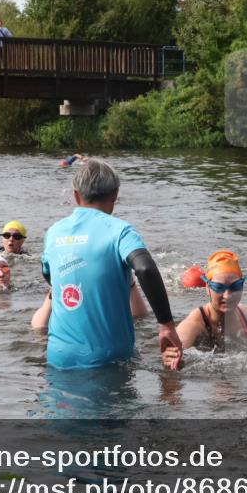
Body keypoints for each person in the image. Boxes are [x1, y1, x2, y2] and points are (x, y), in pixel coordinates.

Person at [38, 157, 183, 370]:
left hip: (58, 356)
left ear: (76, 196)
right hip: (108, 359)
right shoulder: (120, 231)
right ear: (115, 196)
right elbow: (145, 268)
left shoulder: (53, 232)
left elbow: (50, 276)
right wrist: (166, 325)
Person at [161, 250, 247, 367]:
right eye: (219, 287)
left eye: (235, 286)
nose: (227, 295)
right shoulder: (192, 327)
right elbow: (169, 360)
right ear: (207, 288)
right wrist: (170, 359)